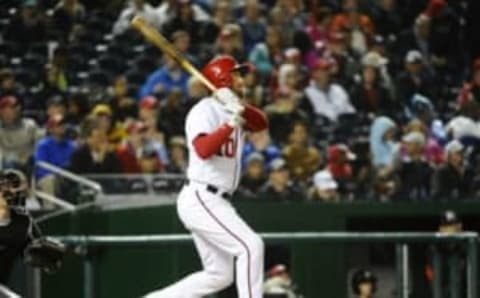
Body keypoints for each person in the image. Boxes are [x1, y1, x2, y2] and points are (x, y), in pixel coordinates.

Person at [143, 55, 268, 298]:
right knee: (251, 246)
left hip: (217, 199)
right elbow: (203, 149)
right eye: (237, 74)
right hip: (202, 196)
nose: (242, 79)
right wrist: (229, 124)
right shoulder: (203, 110)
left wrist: (239, 108)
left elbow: (261, 123)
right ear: (223, 77)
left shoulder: (233, 108)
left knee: (219, 274)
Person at [302, 58, 356, 123]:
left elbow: (350, 109)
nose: (325, 73)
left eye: (327, 70)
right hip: (322, 129)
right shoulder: (307, 93)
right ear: (314, 73)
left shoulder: (338, 89)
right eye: (322, 71)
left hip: (345, 125)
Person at [34, 114, 76, 195]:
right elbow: (41, 169)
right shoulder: (43, 145)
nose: (62, 127)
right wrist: (58, 175)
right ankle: (50, 208)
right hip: (48, 178)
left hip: (68, 178)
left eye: (63, 125)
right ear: (50, 129)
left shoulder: (72, 145)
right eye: (58, 125)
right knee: (49, 180)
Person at [0, 96, 43, 170]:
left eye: (10, 111)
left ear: (18, 110)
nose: (7, 115)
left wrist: (27, 157)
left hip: (28, 165)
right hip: (5, 167)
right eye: (4, 112)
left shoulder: (30, 126)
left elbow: (39, 148)